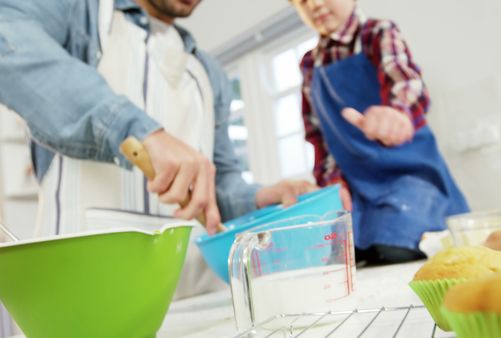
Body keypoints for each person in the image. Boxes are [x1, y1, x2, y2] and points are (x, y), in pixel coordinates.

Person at [0, 0, 314, 298]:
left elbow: (219, 186)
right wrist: (134, 130)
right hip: (87, 293)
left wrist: (259, 198)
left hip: (196, 298)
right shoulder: (83, 13)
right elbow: (8, 38)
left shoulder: (210, 74)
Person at [290, 0, 470, 264]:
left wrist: (399, 113)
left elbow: (404, 81)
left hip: (411, 179)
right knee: (345, 255)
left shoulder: (378, 33)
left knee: (395, 247)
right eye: (302, 1)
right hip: (357, 191)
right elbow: (318, 136)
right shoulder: (309, 65)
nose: (315, 4)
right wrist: (333, 184)